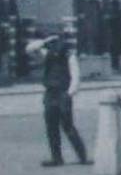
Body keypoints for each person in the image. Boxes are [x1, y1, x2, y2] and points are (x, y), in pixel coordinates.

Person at [30, 35, 89, 167]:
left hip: (62, 92)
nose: (57, 48)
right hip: (50, 92)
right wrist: (44, 41)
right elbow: (30, 49)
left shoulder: (69, 55)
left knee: (67, 126)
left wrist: (70, 93)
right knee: (51, 127)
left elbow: (75, 75)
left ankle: (82, 155)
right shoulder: (47, 54)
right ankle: (56, 158)